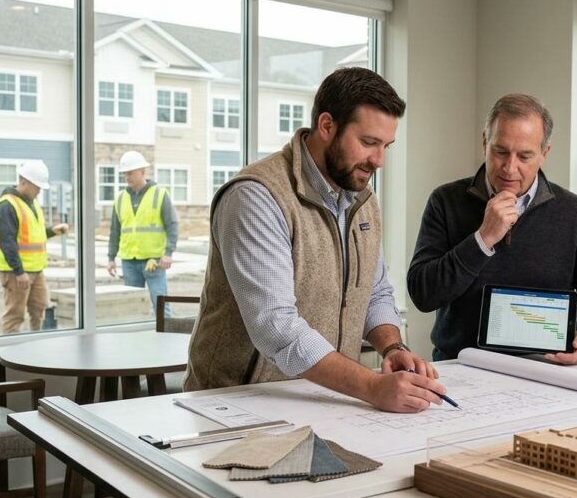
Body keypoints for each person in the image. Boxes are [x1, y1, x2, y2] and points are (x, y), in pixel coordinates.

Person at [185, 67, 446, 414]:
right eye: (368, 143)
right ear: (327, 126)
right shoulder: (256, 196)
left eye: (386, 146)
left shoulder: (362, 200)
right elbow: (276, 328)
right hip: (236, 405)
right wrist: (371, 386)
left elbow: (375, 291)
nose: (379, 160)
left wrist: (393, 348)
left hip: (325, 397)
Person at [408, 93, 577, 364]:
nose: (510, 168)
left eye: (525, 156)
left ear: (545, 153)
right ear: (485, 141)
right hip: (460, 366)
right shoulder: (445, 201)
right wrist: (483, 238)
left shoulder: (575, 213)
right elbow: (423, 295)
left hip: (546, 369)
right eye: (500, 152)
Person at [0, 160, 69, 333]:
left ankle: (37, 349)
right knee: (14, 316)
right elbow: (7, 242)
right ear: (24, 182)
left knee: (40, 309)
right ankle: (11, 352)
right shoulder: (7, 205)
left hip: (35, 270)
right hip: (15, 272)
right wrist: (19, 272)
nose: (40, 191)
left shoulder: (32, 203)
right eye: (37, 186)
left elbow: (33, 234)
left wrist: (53, 231)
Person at [106, 151, 178, 317]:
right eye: (125, 173)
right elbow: (115, 231)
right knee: (132, 310)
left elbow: (172, 225)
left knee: (161, 309)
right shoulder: (120, 199)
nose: (127, 177)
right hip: (129, 262)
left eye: (130, 173)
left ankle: (164, 341)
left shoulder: (160, 194)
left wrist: (168, 253)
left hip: (154, 262)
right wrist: (111, 258)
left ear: (142, 172)